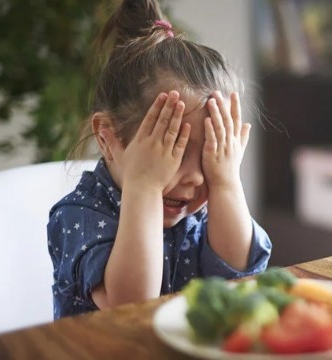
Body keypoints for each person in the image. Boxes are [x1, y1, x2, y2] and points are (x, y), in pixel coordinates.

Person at [47, 0, 271, 319]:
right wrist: (146, 185)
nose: (195, 177)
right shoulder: (79, 214)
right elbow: (131, 305)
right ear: (108, 138)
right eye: (174, 151)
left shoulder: (204, 204)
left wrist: (225, 181)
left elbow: (240, 274)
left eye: (210, 155)